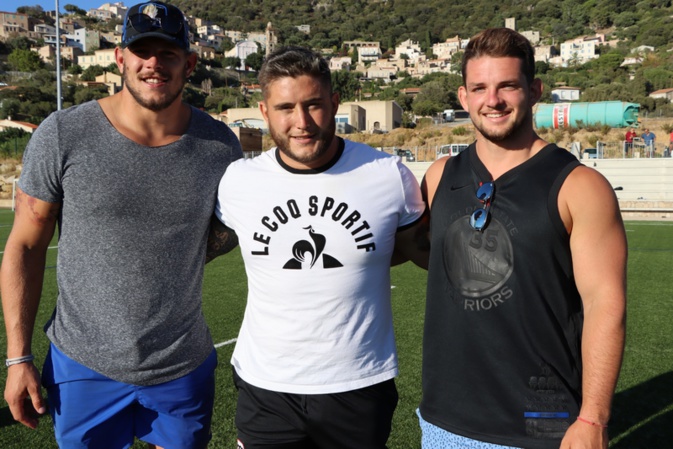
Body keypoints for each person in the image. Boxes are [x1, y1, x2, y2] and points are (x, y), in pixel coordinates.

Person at [1, 2, 242, 448]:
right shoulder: (63, 134)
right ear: (120, 58)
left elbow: (226, 232)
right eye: (142, 51)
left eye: (168, 53)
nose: (154, 64)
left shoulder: (220, 147)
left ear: (189, 64)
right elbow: (25, 247)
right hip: (82, 365)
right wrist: (18, 359)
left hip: (182, 366)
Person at [419, 28, 626, 449]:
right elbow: (415, 250)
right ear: (463, 97)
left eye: (507, 86)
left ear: (534, 91)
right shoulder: (440, 175)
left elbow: (605, 304)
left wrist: (594, 418)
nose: (492, 100)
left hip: (540, 424)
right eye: (480, 88)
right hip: (444, 420)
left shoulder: (580, 186)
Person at [213, 46, 428, 448]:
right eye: (285, 108)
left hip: (359, 384)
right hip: (266, 387)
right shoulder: (239, 181)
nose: (302, 122)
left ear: (334, 103)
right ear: (264, 111)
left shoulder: (386, 175)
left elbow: (426, 253)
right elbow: (194, 249)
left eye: (313, 104)